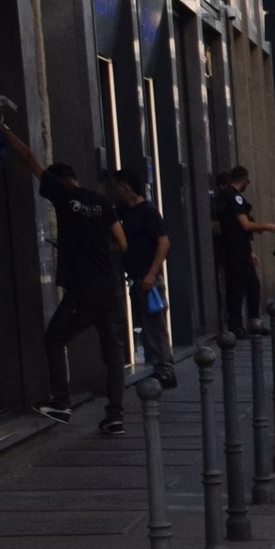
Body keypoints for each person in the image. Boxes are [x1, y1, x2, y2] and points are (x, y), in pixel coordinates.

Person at [0, 132, 128, 432]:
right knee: (113, 353)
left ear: (59, 181)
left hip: (82, 291)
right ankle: (116, 415)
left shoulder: (62, 195)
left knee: (55, 339)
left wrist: (4, 132)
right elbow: (121, 243)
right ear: (76, 178)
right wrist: (95, 246)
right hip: (109, 289)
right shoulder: (101, 201)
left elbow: (30, 159)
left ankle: (61, 402)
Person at [109, 164, 175, 390]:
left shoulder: (147, 211)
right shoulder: (121, 212)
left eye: (116, 187)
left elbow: (163, 242)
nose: (114, 192)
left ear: (126, 188)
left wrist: (151, 274)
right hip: (136, 278)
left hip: (149, 280)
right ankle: (157, 366)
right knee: (146, 325)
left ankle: (165, 370)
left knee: (155, 325)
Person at [211, 166, 275, 335]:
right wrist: (267, 226)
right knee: (238, 289)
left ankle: (252, 323)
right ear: (243, 179)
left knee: (251, 286)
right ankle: (237, 325)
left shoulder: (222, 197)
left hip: (237, 249)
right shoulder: (234, 197)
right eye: (247, 181)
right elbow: (245, 224)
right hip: (237, 250)